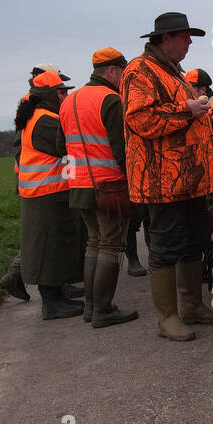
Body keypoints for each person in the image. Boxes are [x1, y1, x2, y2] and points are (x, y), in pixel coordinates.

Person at [121, 11, 213, 341]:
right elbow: (141, 120)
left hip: (190, 180)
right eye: (184, 37)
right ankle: (167, 318)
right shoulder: (139, 71)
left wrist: (210, 117)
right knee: (166, 247)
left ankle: (193, 306)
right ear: (164, 39)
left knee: (193, 242)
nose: (189, 43)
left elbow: (181, 120)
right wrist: (188, 110)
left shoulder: (173, 72)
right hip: (162, 181)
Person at [58, 47, 137, 329]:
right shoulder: (111, 99)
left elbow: (60, 146)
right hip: (108, 185)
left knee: (93, 242)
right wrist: (134, 181)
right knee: (111, 244)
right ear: (112, 71)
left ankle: (91, 307)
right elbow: (121, 148)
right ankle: (103, 309)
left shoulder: (70, 100)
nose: (124, 79)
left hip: (77, 184)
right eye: (123, 73)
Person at [14, 70, 84, 320]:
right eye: (61, 91)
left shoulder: (37, 116)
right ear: (48, 94)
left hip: (46, 192)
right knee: (48, 247)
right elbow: (67, 146)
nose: (66, 95)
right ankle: (51, 303)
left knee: (54, 245)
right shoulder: (45, 120)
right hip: (46, 193)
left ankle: (57, 295)